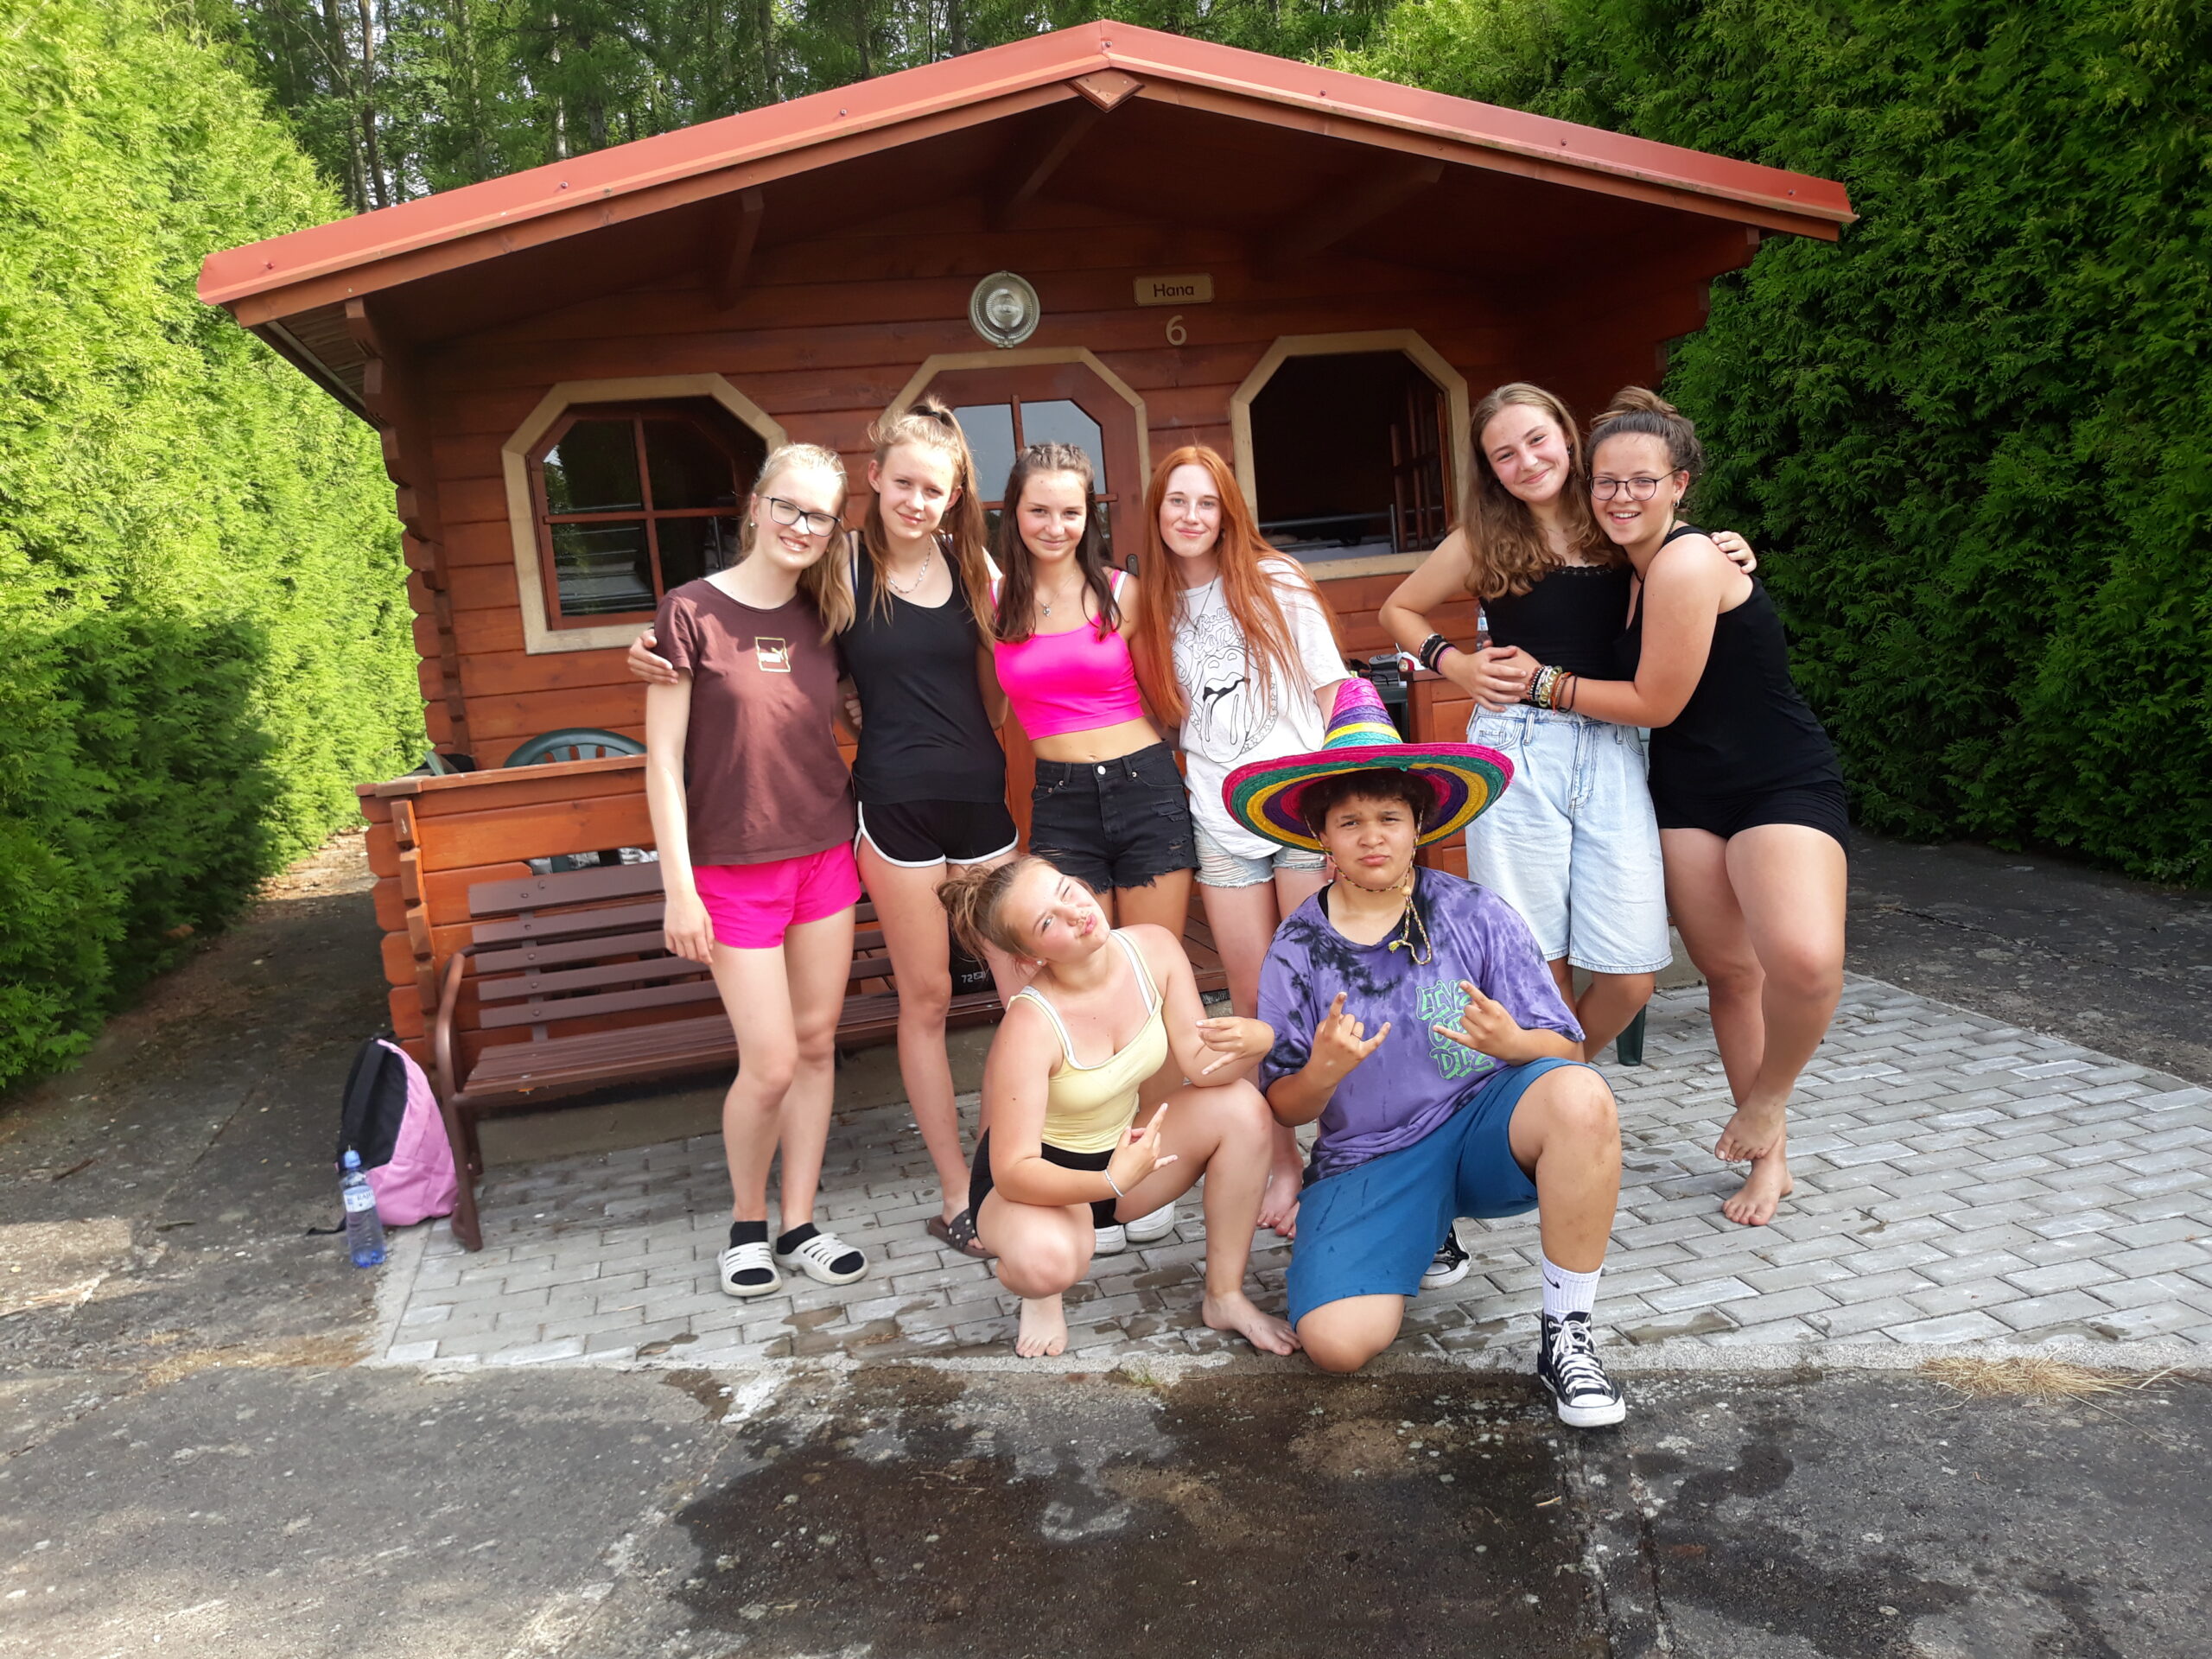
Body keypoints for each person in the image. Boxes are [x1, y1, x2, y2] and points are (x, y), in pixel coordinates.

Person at [628, 400, 1018, 1259]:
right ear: (874, 481)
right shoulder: (837, 567)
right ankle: (941, 1194)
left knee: (1015, 999)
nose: (917, 501)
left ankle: (998, 1173)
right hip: (879, 814)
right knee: (912, 1006)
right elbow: (740, 621)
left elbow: (1011, 659)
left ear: (955, 497)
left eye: (935, 489)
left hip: (955, 812)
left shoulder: (967, 567)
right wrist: (653, 646)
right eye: (903, 483)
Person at [1484, 388, 1847, 1229]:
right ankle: (1771, 1162)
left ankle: (1766, 1104)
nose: (1620, 497)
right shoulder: (1626, 565)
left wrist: (1540, 684)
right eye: (1607, 482)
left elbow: (1656, 701)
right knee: (1730, 974)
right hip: (1685, 791)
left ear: (1679, 484)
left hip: (1776, 779)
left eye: (1641, 482)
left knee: (1804, 964)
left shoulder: (1682, 563)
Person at [1227, 677, 1629, 1426]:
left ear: (1418, 825)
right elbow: (1282, 1104)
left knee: (1582, 1098)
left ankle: (1567, 1335)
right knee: (1337, 1345)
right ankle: (1422, 1227)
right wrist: (1322, 1073)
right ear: (1322, 836)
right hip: (1370, 1157)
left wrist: (1513, 1043)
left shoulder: (1476, 912)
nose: (1372, 836)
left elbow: (1567, 1049)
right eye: (1350, 821)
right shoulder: (1298, 946)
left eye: (1389, 816)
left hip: (1480, 1133)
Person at [1380, 382, 1758, 1065]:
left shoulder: (1612, 519)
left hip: (1614, 744)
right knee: (1540, 963)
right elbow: (1398, 610)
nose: (1526, 461)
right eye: (1504, 454)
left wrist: (1722, 545)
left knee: (1632, 974)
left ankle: (1558, 1072)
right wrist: (1456, 666)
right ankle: (1564, 1099)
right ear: (1489, 469)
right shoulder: (1484, 539)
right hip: (1518, 747)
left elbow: (1675, 543)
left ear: (1566, 435)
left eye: (1537, 440)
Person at [642, 442, 872, 1300]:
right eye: (788, 507)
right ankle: (745, 1225)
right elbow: (662, 762)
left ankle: (800, 1222)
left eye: (820, 516)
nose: (801, 526)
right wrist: (678, 888)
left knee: (815, 1047)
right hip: (731, 871)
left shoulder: (830, 613)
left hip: (824, 856)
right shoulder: (689, 612)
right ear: (756, 506)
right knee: (770, 1062)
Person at [938, 854, 1298, 1359]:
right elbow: (1015, 1171)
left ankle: (1225, 1297)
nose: (1075, 913)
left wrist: (1261, 1039)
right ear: (1031, 955)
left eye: (1066, 891)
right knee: (1049, 1264)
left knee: (1243, 1108)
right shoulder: (1030, 1025)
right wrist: (1110, 1181)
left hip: (1122, 1155)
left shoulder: (1155, 949)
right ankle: (1039, 1294)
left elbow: (1201, 1066)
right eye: (1047, 922)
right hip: (1035, 1185)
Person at [1125, 444, 1351, 1237]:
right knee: (1253, 999)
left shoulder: (1275, 581)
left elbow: (1332, 691)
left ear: (1227, 513)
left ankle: (1347, 1152)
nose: (1191, 516)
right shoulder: (1151, 607)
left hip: (1299, 814)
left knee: (1323, 988)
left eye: (1206, 502)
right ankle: (1281, 1159)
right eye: (1176, 502)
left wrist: (1344, 807)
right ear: (1157, 514)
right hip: (1220, 824)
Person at [990, 441, 1198, 936]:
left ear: (1088, 517)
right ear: (1014, 512)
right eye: (1039, 511)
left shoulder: (1123, 593)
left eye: (1070, 513)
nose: (1054, 527)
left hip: (1145, 788)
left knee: (1153, 953)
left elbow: (1168, 706)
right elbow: (988, 709)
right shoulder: (991, 601)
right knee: (1081, 962)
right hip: (1061, 800)